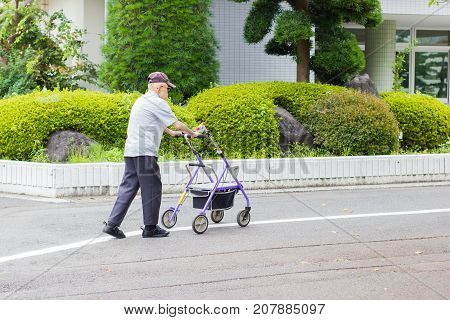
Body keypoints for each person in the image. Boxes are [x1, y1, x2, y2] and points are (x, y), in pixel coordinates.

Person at [102, 72, 199, 239]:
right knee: (152, 187)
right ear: (160, 87)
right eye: (168, 89)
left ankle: (112, 224)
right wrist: (193, 133)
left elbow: (156, 122)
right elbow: (178, 123)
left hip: (131, 152)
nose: (168, 93)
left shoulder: (141, 101)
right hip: (145, 152)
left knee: (129, 187)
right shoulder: (158, 102)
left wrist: (171, 133)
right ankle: (150, 227)